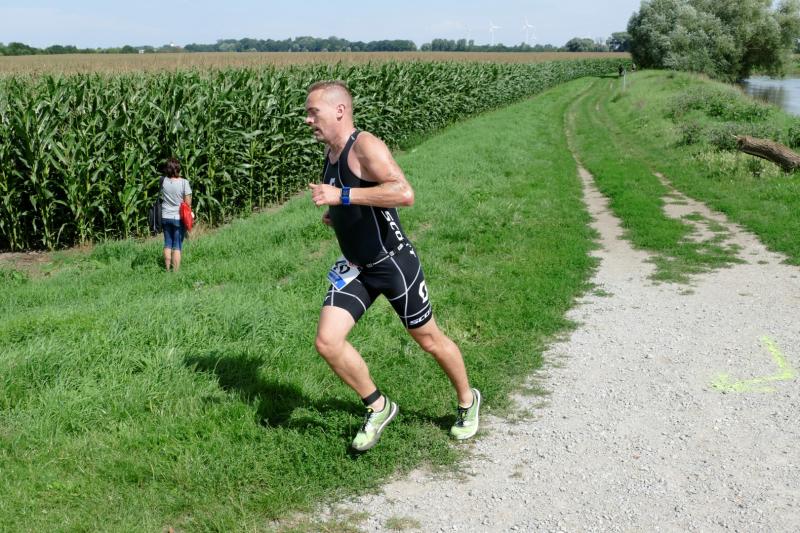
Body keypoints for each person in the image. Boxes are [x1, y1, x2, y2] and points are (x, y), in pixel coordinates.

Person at [305, 80, 481, 452]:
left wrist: (342, 196)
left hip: (392, 263)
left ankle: (468, 400)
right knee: (327, 342)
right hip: (356, 268)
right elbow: (357, 202)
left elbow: (403, 193)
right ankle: (378, 406)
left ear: (339, 111)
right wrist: (338, 215)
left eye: (313, 112)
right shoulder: (331, 154)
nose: (308, 120)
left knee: (428, 339)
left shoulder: (364, 146)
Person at [160, 157, 191, 271]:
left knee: (167, 243)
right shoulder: (184, 182)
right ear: (178, 168)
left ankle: (167, 269)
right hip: (178, 218)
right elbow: (187, 203)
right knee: (177, 245)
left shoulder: (163, 181)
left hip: (165, 216)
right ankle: (176, 272)